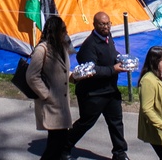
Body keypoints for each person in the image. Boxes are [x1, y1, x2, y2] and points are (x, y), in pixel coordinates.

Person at [69, 11, 130, 160]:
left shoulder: (108, 37)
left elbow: (112, 53)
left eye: (108, 23)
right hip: (93, 93)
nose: (106, 27)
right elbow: (92, 69)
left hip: (110, 91)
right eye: (102, 24)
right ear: (94, 25)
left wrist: (120, 59)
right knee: (85, 123)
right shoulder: (89, 45)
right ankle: (63, 145)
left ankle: (120, 153)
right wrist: (113, 69)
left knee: (116, 122)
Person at [25, 15, 74, 160]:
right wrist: (46, 94)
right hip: (51, 105)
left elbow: (63, 71)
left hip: (62, 105)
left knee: (59, 145)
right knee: (54, 147)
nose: (65, 32)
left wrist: (75, 77)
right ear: (55, 31)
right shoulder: (42, 49)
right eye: (63, 30)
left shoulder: (62, 47)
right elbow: (32, 76)